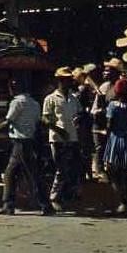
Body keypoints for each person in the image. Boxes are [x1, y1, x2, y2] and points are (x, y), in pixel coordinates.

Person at [0, 77, 52, 216]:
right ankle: (41, 204)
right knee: (25, 173)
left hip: (19, 142)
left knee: (15, 173)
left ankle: (12, 204)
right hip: (29, 141)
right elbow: (37, 122)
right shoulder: (35, 103)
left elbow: (9, 120)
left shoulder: (17, 102)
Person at [42, 67, 84, 211]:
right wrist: (59, 130)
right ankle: (53, 197)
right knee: (60, 169)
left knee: (72, 168)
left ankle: (66, 195)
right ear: (59, 81)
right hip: (57, 139)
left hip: (72, 137)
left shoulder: (73, 98)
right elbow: (46, 119)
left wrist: (78, 119)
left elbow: (80, 112)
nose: (68, 82)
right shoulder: (51, 99)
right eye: (65, 80)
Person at [103, 78, 127, 214]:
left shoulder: (113, 106)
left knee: (114, 173)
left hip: (115, 140)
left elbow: (109, 125)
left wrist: (105, 135)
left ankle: (121, 200)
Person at [90, 58, 123, 178]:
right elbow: (95, 110)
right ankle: (99, 171)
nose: (105, 72)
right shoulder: (104, 87)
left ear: (116, 72)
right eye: (105, 70)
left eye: (108, 70)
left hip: (116, 125)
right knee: (100, 148)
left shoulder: (122, 86)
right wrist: (102, 111)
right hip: (101, 124)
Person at [73, 67, 95, 181]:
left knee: (83, 148)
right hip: (83, 121)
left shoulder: (82, 90)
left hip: (82, 122)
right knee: (85, 148)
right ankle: (87, 173)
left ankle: (84, 173)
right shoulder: (85, 89)